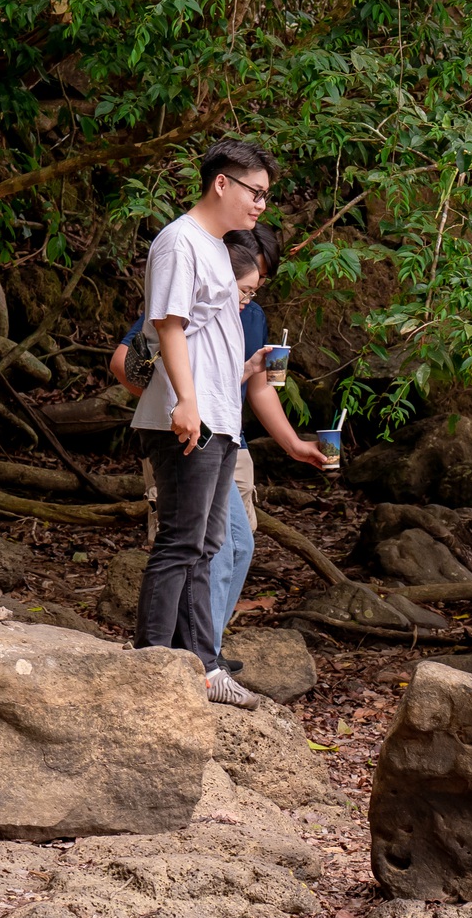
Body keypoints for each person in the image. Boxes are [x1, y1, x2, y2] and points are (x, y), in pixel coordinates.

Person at [113, 227, 324, 692]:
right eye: (249, 284)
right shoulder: (190, 293)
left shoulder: (247, 314)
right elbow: (133, 358)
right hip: (189, 431)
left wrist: (292, 443)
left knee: (225, 545)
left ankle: (201, 652)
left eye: (259, 284)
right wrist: (172, 404)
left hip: (228, 436)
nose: (251, 294)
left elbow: (252, 385)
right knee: (190, 543)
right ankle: (171, 655)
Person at [130, 139, 276, 703]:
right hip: (186, 418)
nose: (261, 205)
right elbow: (167, 326)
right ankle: (150, 665)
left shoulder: (219, 247)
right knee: (181, 542)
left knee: (208, 542)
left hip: (218, 415)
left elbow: (206, 335)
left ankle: (203, 665)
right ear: (223, 184)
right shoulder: (179, 241)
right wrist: (185, 402)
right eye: (256, 193)